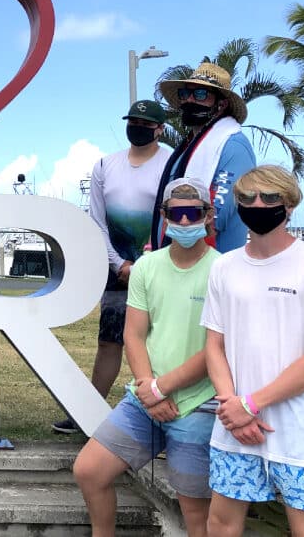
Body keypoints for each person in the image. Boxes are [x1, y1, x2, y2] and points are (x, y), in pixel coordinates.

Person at [203, 165, 304, 537]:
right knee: (221, 522)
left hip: (297, 433)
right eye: (247, 198)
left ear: (288, 205)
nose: (258, 204)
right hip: (234, 429)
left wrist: (250, 405)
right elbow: (214, 345)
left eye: (269, 197)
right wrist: (231, 405)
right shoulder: (224, 267)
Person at [73, 177, 220, 537]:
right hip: (146, 399)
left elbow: (218, 349)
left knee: (195, 511)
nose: (184, 222)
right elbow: (133, 335)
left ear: (208, 216)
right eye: (177, 214)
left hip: (199, 403)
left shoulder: (223, 271)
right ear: (165, 217)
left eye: (193, 213)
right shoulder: (146, 267)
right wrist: (147, 389)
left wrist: (161, 389)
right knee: (89, 470)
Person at [53, 100, 172, 435]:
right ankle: (86, 414)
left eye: (145, 122)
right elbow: (97, 221)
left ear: (159, 129)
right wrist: (119, 264)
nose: (137, 126)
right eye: (133, 120)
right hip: (117, 269)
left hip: (160, 265)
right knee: (109, 341)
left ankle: (159, 415)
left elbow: (174, 214)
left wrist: (148, 261)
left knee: (158, 343)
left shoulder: (172, 163)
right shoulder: (105, 165)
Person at [152, 61, 256, 252]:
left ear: (222, 104)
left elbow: (218, 214)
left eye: (200, 94)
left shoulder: (233, 145)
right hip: (174, 264)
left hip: (213, 265)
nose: (189, 100)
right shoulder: (187, 146)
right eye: (185, 94)